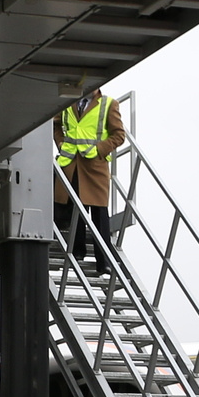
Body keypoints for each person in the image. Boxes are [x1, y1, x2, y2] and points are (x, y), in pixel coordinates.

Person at [52, 79, 123, 265]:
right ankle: (78, 251)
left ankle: (104, 260)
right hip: (71, 163)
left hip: (95, 165)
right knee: (75, 208)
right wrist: (60, 144)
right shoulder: (68, 102)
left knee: (99, 212)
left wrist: (100, 149)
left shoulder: (109, 104)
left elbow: (119, 135)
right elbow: (56, 124)